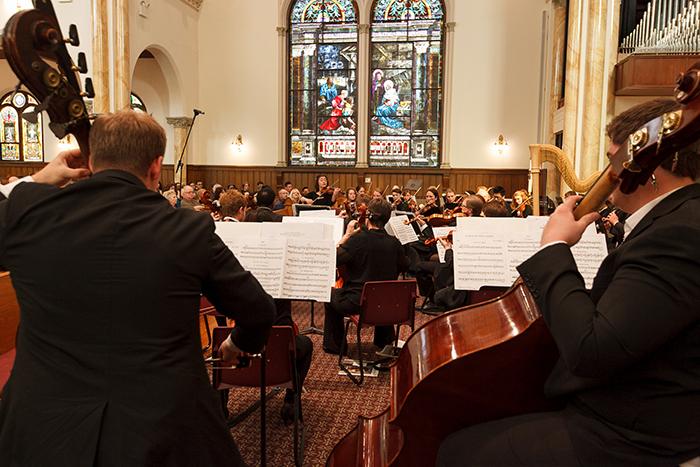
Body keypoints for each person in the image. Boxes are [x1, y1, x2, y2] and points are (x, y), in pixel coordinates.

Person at [0, 110, 276, 466]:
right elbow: (259, 310)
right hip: (162, 432)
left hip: (41, 430)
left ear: (87, 161)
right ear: (156, 166)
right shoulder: (188, 230)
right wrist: (236, 344)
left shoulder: (27, 213)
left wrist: (36, 179)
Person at [438, 98, 700, 465]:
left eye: (612, 160)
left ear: (650, 163)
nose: (605, 176)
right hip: (634, 403)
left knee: (458, 452)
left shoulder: (678, 233)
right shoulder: (678, 218)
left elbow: (591, 350)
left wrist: (555, 246)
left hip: (633, 434)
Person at [243, 184, 313, 425]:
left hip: (240, 344)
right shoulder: (285, 265)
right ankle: (291, 400)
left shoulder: (238, 271)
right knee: (305, 345)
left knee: (223, 345)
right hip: (280, 343)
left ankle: (221, 411)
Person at [323, 198, 410, 354]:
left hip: (358, 302)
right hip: (388, 303)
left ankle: (335, 346)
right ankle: (384, 339)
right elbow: (405, 265)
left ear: (369, 216)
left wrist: (347, 235)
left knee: (329, 296)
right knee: (382, 291)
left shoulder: (357, 240)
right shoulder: (394, 242)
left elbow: (333, 259)